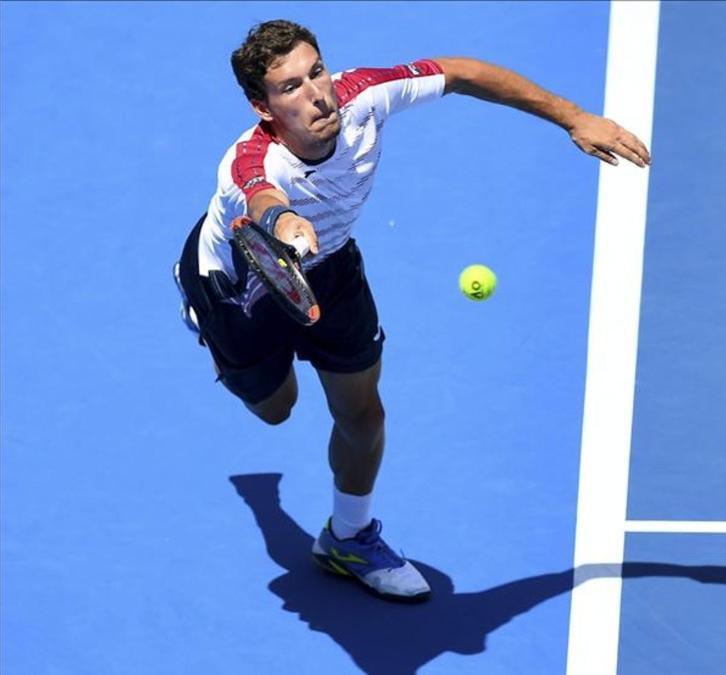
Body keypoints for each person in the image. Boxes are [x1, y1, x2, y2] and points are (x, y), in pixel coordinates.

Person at [174, 19, 651, 602]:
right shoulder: (250, 164)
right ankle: (200, 316)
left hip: (332, 270)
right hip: (242, 284)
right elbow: (265, 201)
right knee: (277, 410)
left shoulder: (363, 95)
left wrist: (574, 117)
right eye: (291, 87)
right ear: (262, 105)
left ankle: (348, 537)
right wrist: (288, 224)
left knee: (364, 414)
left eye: (316, 71)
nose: (316, 93)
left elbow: (462, 73)